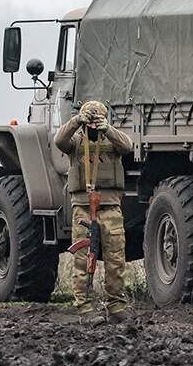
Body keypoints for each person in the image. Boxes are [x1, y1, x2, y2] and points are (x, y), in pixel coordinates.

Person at [54, 101, 134, 325]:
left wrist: (106, 128)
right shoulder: (76, 142)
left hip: (111, 207)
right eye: (89, 121)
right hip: (83, 207)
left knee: (115, 259)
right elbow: (59, 140)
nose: (92, 125)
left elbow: (127, 146)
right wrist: (76, 121)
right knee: (82, 260)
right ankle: (84, 308)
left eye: (95, 120)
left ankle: (116, 305)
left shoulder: (112, 139)